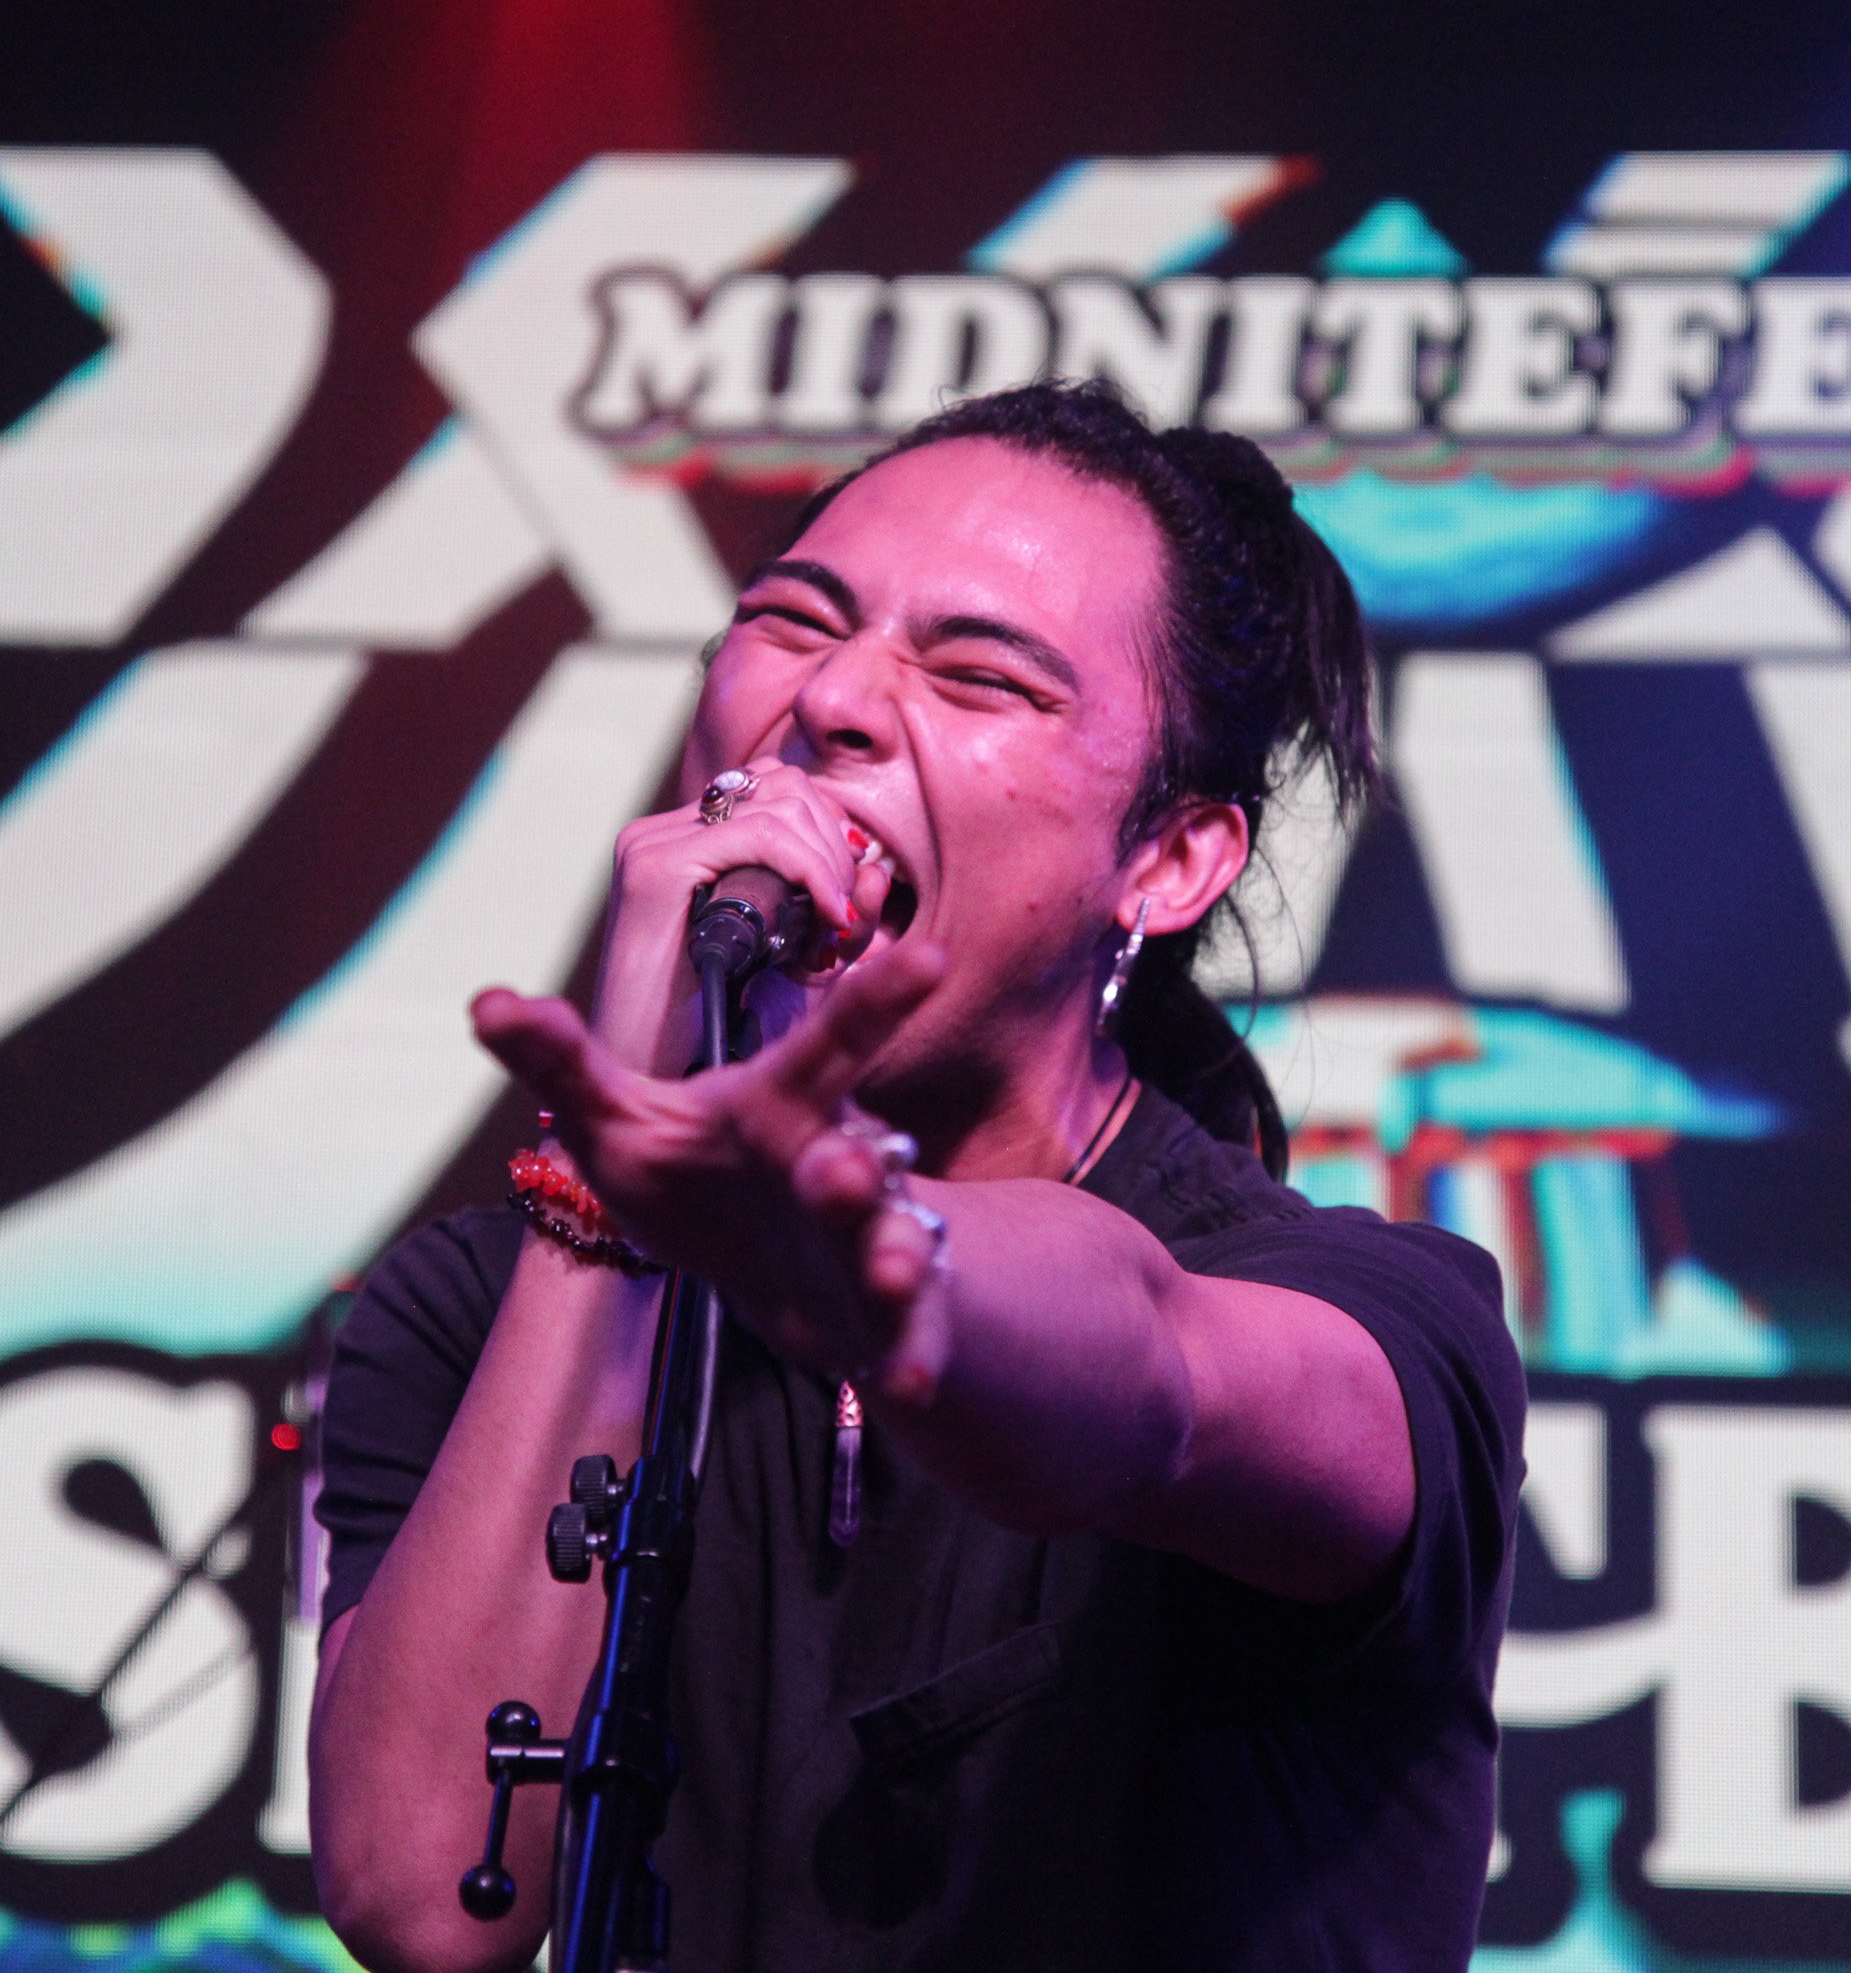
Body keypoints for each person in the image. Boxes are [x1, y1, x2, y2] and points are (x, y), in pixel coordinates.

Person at [307, 380, 1526, 1973]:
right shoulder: (473, 1311)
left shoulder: (1369, 1312)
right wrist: (609, 1199)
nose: (833, 700)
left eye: (977, 676)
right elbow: (422, 1902)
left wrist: (883, 1257)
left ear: (1169, 860)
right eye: (793, 622)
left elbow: (1157, 1366)